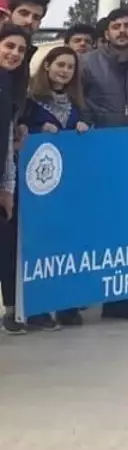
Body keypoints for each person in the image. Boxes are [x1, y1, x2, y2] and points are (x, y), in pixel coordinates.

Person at [80, 8, 128, 320]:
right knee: (98, 226)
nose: (122, 31)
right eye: (116, 26)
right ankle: (85, 296)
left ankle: (124, 301)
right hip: (97, 154)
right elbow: (77, 100)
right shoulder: (87, 63)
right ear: (107, 32)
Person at [13, 45, 90, 329]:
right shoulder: (30, 100)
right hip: (36, 189)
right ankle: (37, 307)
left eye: (70, 67)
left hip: (69, 188)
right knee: (39, 245)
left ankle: (67, 304)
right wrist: (33, 128)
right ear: (47, 66)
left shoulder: (78, 103)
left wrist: (85, 125)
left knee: (68, 244)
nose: (65, 71)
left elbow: (88, 130)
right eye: (60, 65)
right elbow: (18, 129)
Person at [0, 24, 32, 335]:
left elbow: (7, 139)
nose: (14, 54)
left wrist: (7, 188)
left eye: (21, 50)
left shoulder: (11, 87)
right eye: (9, 46)